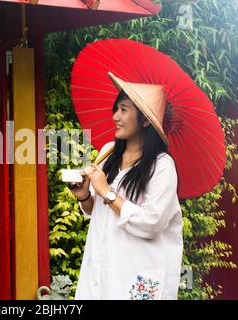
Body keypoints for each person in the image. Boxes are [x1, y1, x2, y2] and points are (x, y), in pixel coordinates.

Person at [69, 88, 183, 300]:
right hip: (102, 268)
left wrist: (106, 191)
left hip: (136, 272)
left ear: (146, 120)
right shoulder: (108, 152)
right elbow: (98, 211)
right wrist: (85, 195)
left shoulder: (162, 167)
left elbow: (152, 223)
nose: (115, 116)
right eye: (116, 109)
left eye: (124, 110)